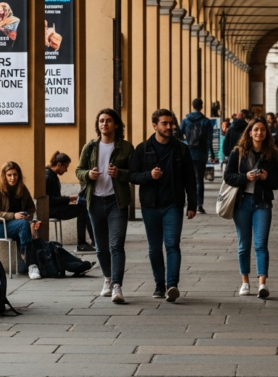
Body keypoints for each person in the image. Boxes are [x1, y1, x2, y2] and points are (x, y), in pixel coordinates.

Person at [129, 109, 198, 302]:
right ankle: (159, 284)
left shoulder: (181, 149)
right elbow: (132, 175)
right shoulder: (142, 149)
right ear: (154, 125)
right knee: (154, 248)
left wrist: (192, 204)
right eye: (165, 123)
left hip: (173, 205)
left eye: (171, 123)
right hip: (150, 205)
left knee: (172, 245)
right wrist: (148, 176)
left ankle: (172, 285)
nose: (169, 127)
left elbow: (189, 179)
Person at [75, 108, 134, 302]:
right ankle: (107, 279)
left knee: (116, 244)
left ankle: (117, 286)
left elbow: (134, 173)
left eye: (108, 120)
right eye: (101, 121)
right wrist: (87, 175)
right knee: (100, 247)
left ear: (116, 124)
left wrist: (120, 173)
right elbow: (78, 170)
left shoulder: (125, 147)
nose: (104, 124)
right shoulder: (90, 147)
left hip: (117, 202)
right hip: (95, 201)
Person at [224, 117, 278, 298]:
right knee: (244, 245)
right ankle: (245, 282)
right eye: (256, 129)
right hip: (242, 203)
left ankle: (262, 284)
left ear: (267, 133)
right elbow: (228, 177)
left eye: (262, 130)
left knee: (261, 244)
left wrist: (266, 177)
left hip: (262, 203)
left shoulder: (272, 155)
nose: (259, 133)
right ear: (249, 132)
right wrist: (245, 177)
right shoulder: (238, 152)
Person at [0, 161, 42, 280]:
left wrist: (27, 216)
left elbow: (31, 207)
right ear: (4, 176)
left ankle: (23, 268)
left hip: (17, 225)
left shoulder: (21, 188)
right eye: (9, 175)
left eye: (15, 175)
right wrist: (13, 216)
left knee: (25, 225)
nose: (12, 178)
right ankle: (31, 264)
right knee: (23, 225)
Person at [45, 152, 95, 252]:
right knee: (82, 210)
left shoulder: (53, 175)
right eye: (65, 167)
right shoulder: (48, 177)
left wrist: (66, 200)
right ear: (59, 164)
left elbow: (55, 197)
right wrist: (69, 198)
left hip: (55, 207)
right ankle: (81, 244)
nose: (66, 170)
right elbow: (49, 200)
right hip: (50, 210)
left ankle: (93, 241)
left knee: (84, 206)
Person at [180, 98, 215, 214]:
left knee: (187, 178)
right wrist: (212, 154)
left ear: (192, 106)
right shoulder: (206, 121)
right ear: (202, 107)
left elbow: (179, 135)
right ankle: (199, 205)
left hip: (188, 152)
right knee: (199, 179)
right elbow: (209, 139)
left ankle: (188, 202)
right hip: (201, 153)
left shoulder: (186, 120)